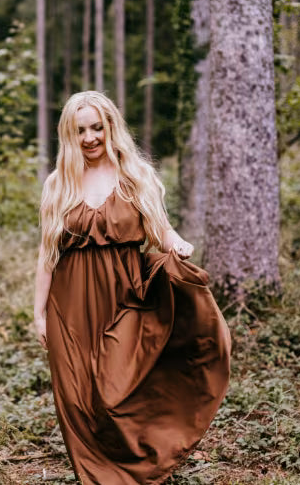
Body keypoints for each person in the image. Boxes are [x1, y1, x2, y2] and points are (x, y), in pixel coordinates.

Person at [33, 91, 231, 484]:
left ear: (110, 127)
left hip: (126, 295)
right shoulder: (59, 183)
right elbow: (47, 254)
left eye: (96, 127)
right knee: (76, 396)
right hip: (69, 304)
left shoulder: (134, 175)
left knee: (116, 390)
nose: (89, 138)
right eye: (80, 131)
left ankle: (134, 467)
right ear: (69, 136)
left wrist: (177, 245)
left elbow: (161, 230)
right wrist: (38, 313)